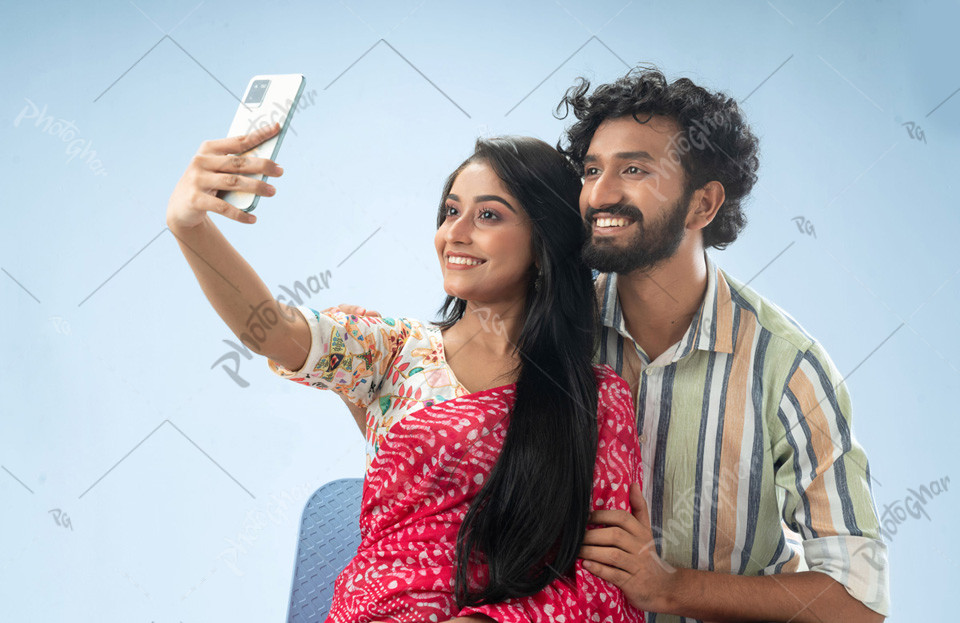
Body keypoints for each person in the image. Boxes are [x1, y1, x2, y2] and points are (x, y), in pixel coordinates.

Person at [165, 125, 645, 622]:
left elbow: (602, 581)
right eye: (450, 211)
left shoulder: (595, 398)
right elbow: (269, 328)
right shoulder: (393, 349)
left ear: (544, 243)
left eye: (487, 215)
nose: (455, 233)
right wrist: (190, 226)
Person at [560, 67, 889, 622]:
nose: (600, 194)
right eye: (592, 170)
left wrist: (670, 588)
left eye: (633, 169)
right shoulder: (553, 336)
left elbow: (858, 604)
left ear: (703, 205)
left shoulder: (788, 366)